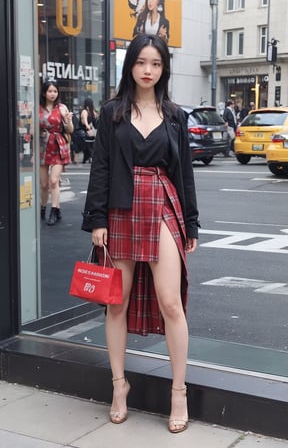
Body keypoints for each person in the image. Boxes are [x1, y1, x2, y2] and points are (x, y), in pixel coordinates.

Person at [81, 34, 199, 433]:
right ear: (130, 65)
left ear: (163, 69)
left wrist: (192, 223)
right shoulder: (113, 112)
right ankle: (119, 385)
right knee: (117, 303)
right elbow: (100, 167)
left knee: (171, 303)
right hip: (119, 209)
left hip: (163, 205)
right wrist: (97, 220)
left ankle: (178, 391)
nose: (148, 70)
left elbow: (184, 173)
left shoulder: (175, 116)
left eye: (156, 64)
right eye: (141, 62)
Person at [39, 78, 73, 225]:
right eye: (49, 91)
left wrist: (67, 120)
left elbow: (70, 130)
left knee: (54, 181)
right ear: (44, 92)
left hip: (58, 146)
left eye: (55, 91)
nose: (52, 94)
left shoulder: (62, 108)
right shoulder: (38, 108)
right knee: (44, 184)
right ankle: (43, 208)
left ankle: (53, 211)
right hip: (41, 146)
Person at [79, 97, 98, 164]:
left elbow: (84, 120)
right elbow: (95, 121)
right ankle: (90, 158)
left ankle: (88, 158)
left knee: (87, 146)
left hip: (86, 130)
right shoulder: (93, 112)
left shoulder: (85, 111)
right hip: (92, 131)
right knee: (91, 145)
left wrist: (87, 127)